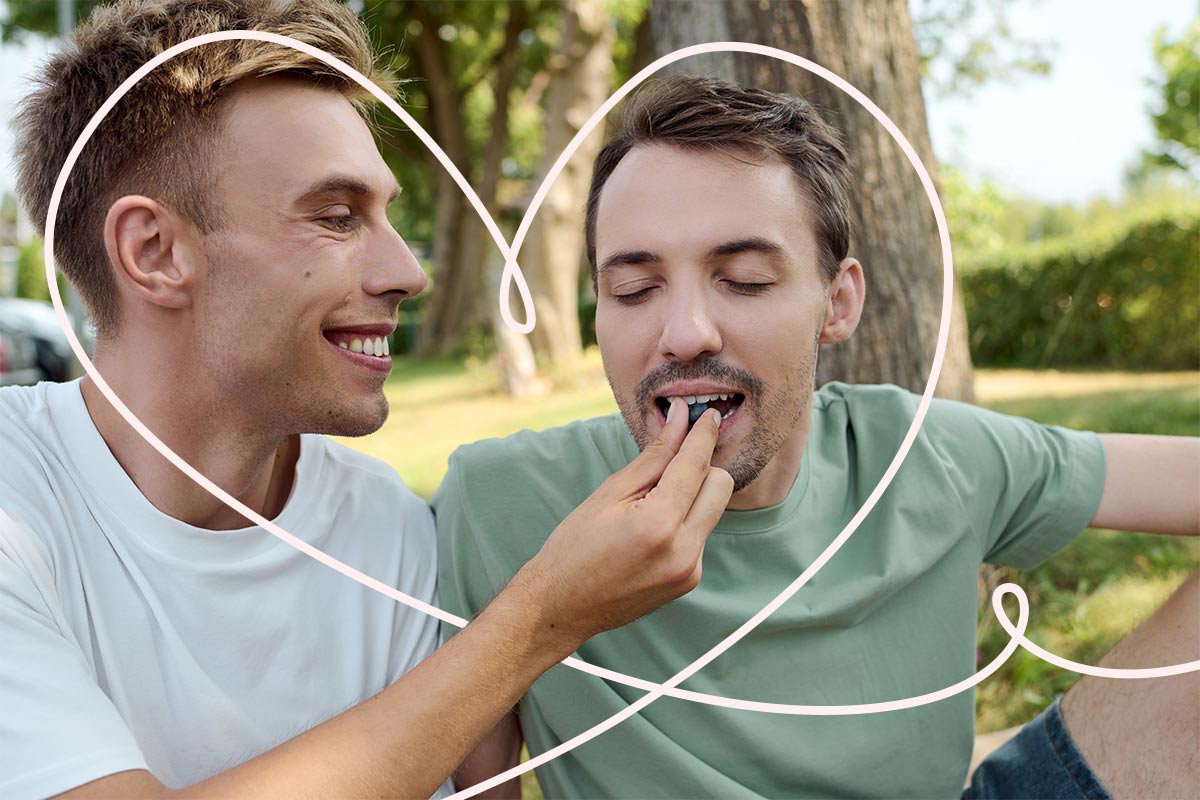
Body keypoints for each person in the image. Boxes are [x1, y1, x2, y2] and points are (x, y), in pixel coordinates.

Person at [0, 3, 735, 798]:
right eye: (337, 216)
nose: (404, 273)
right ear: (155, 252)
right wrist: (540, 620)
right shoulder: (20, 508)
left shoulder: (388, 531)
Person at [435, 75, 1200, 799]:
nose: (685, 332)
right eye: (634, 289)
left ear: (837, 303)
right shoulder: (502, 499)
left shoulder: (931, 455)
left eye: (743, 279)